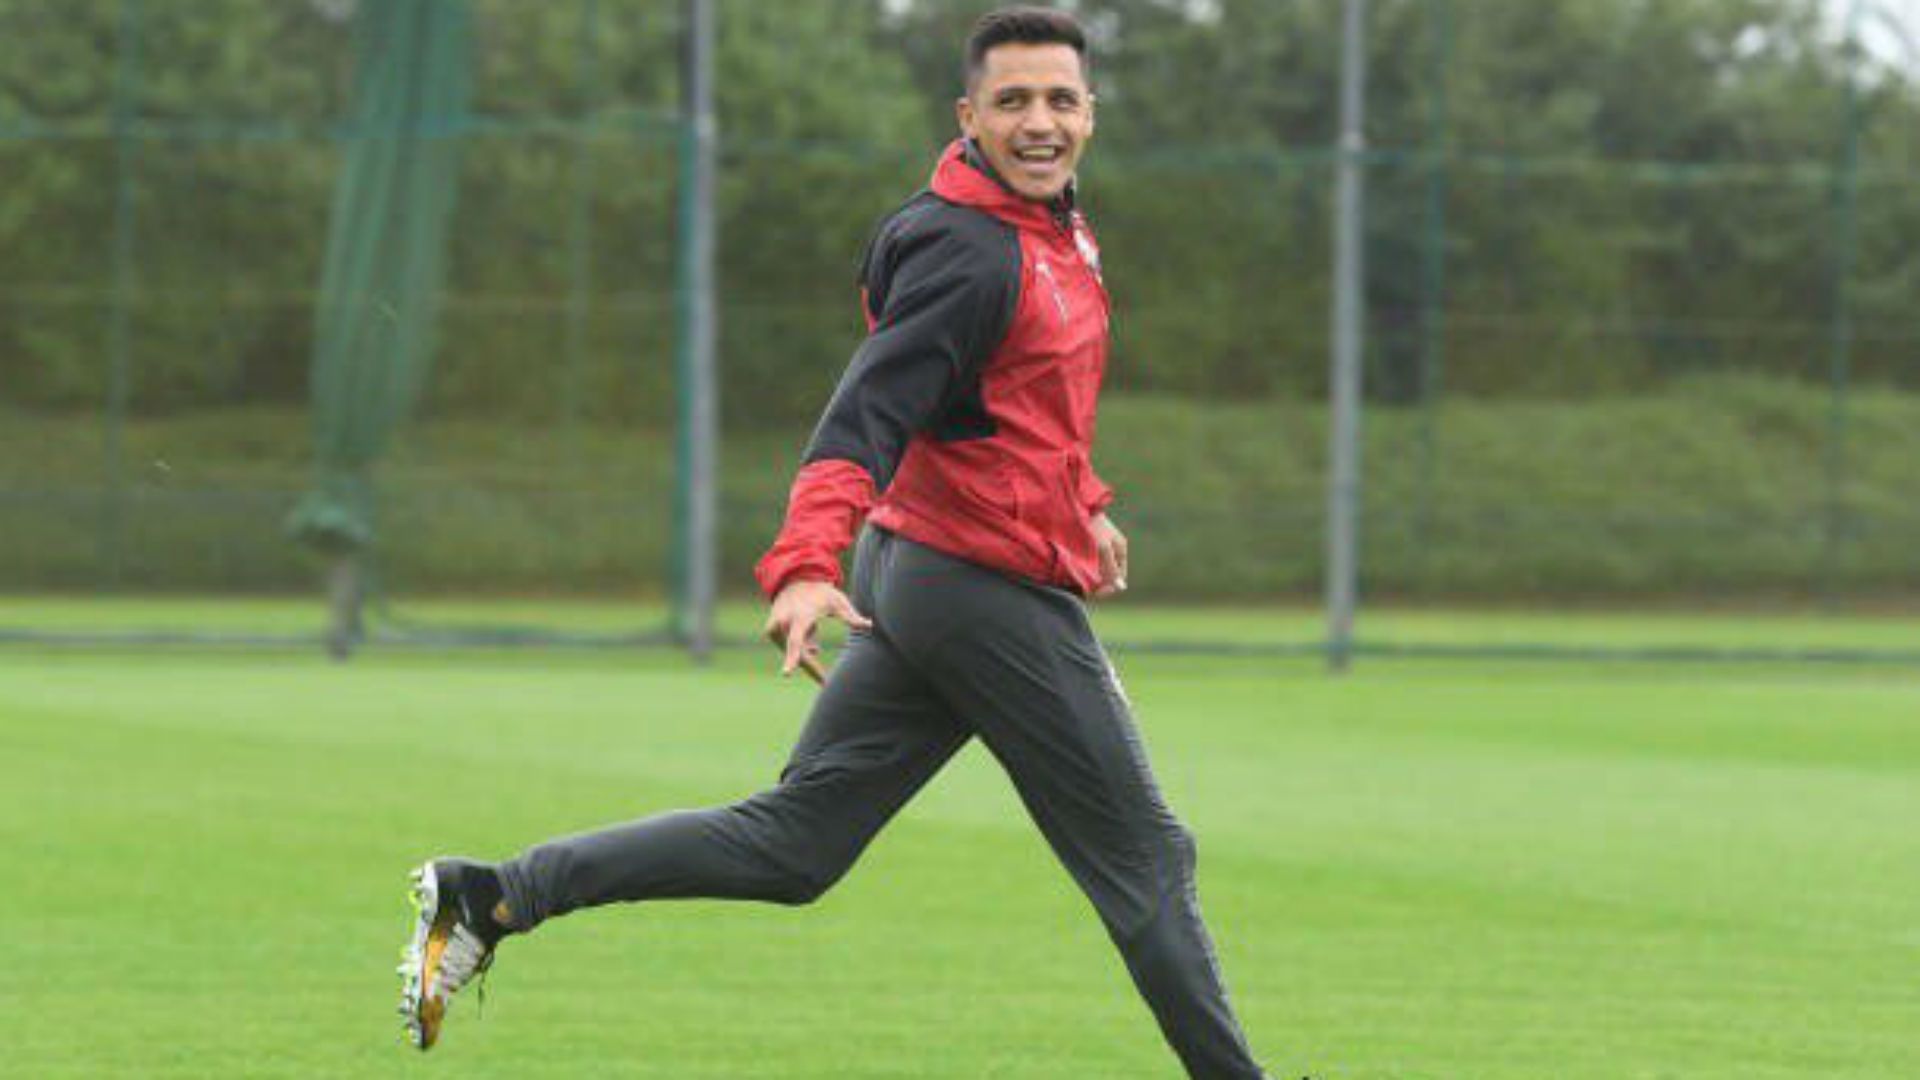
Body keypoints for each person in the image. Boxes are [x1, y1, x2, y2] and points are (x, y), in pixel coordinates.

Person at [397, 8, 1267, 1076]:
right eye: (1012, 102)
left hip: (932, 568)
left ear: (1089, 111)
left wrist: (1080, 497)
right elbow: (865, 418)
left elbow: (1019, 401)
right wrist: (807, 562)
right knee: (1148, 855)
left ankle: (497, 893)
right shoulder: (973, 253)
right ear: (969, 116)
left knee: (795, 846)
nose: (1039, 122)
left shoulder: (1056, 229)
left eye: (1060, 100)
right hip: (980, 588)